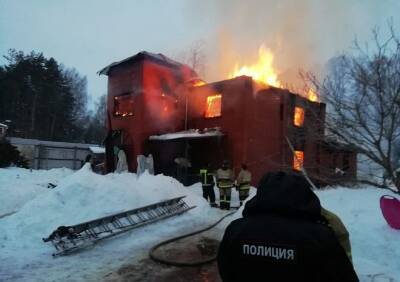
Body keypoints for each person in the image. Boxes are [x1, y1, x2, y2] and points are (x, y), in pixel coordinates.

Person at [217, 171, 358, 282]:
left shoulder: (236, 230)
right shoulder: (320, 236)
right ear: (303, 195)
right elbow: (343, 275)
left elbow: (226, 269)